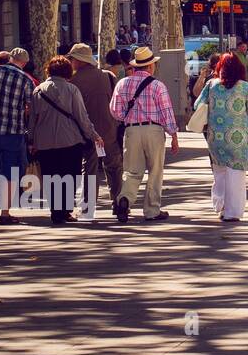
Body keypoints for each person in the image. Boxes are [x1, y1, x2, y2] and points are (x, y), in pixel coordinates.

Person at [28, 55, 105, 225]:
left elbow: (33, 119)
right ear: (67, 71)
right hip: (70, 141)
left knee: (50, 176)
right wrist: (94, 135)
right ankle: (65, 211)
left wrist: (31, 141)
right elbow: (81, 116)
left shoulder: (38, 90)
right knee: (70, 175)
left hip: (44, 142)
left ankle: (56, 212)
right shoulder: (72, 90)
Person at [108, 46, 180, 223]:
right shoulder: (158, 86)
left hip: (131, 130)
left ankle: (124, 199)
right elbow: (166, 112)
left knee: (132, 171)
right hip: (154, 131)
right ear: (149, 67)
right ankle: (151, 210)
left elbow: (115, 111)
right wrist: (174, 135)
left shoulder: (122, 84)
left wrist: (127, 118)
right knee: (155, 171)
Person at [194, 53, 248, 222]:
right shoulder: (245, 87)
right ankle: (232, 212)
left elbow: (198, 104)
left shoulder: (212, 85)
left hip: (216, 137)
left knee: (219, 171)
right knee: (236, 174)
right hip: (238, 139)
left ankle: (221, 205)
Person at [67, 43, 118, 217]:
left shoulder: (73, 82)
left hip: (87, 132)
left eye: (72, 59)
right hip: (109, 129)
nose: (71, 62)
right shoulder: (108, 76)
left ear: (79, 61)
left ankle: (88, 208)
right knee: (113, 166)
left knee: (90, 169)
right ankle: (118, 202)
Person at [0, 50, 35, 225]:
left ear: (10, 59)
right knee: (10, 173)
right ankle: (4, 213)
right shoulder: (26, 80)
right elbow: (30, 107)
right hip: (13, 132)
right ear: (24, 63)